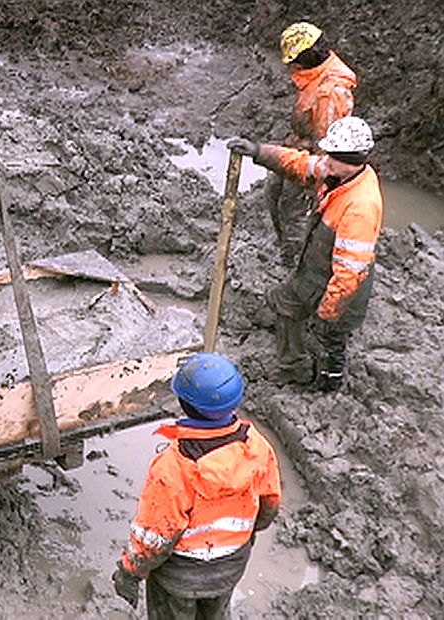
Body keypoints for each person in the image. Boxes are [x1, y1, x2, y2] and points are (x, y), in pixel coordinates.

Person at [111, 352, 282, 618]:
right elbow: (269, 506)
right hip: (231, 566)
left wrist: (130, 571)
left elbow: (156, 536)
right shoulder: (257, 446)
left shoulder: (174, 467)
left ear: (183, 403)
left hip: (179, 576)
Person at [229, 116, 382, 392]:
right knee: (285, 304)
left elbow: (348, 275)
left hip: (341, 286)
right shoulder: (340, 172)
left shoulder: (360, 207)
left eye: (333, 158)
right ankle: (295, 367)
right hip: (316, 268)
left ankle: (328, 382)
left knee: (331, 339)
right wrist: (258, 151)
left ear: (351, 160)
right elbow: (300, 164)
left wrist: (327, 313)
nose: (326, 161)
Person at [264, 22, 358, 266]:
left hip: (314, 157)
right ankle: (286, 244)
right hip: (298, 145)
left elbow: (328, 144)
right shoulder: (315, 75)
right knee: (273, 190)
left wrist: (316, 180)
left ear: (307, 57)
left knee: (293, 206)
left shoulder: (331, 92)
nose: (293, 67)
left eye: (295, 61)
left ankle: (295, 259)